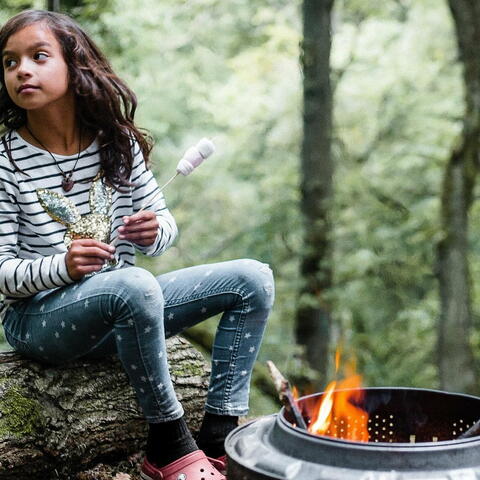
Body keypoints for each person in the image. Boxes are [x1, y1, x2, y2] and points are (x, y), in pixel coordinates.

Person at [0, 9, 274, 480]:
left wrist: (155, 231)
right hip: (37, 321)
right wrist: (63, 267)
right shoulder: (4, 161)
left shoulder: (116, 144)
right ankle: (168, 445)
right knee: (134, 284)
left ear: (74, 63)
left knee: (254, 278)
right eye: (9, 62)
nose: (22, 69)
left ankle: (217, 436)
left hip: (124, 303)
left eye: (38, 56)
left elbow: (164, 226)